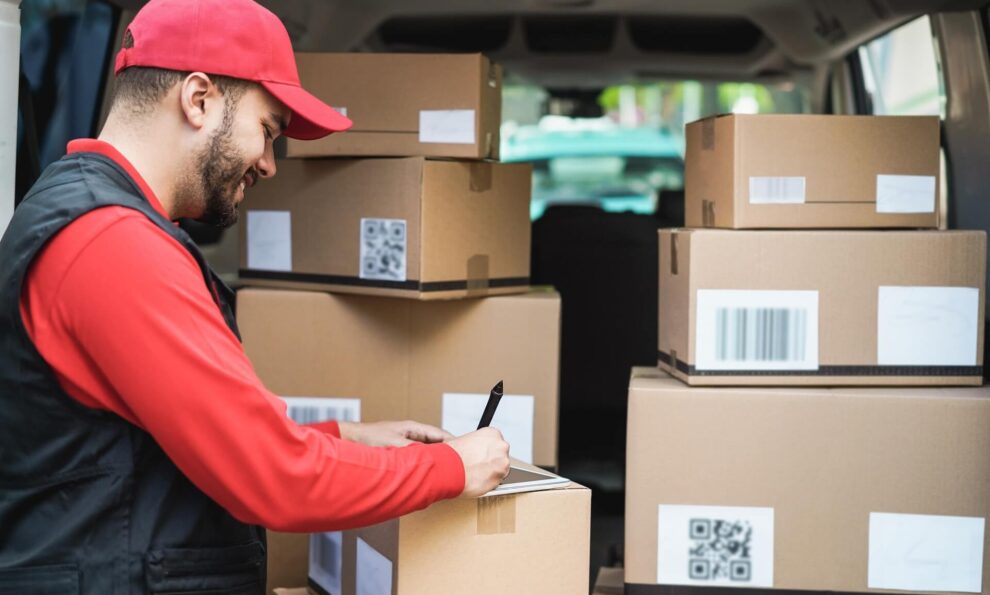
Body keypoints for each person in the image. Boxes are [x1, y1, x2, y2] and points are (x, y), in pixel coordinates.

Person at [0, 0, 510, 593]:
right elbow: (272, 476)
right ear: (198, 99)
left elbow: (171, 453)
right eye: (267, 130)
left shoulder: (96, 221)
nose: (269, 164)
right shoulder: (113, 244)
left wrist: (342, 439)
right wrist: (450, 468)